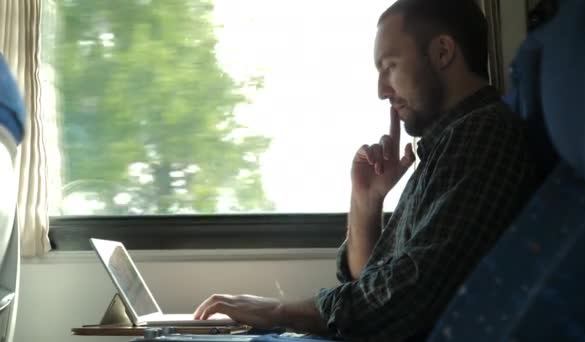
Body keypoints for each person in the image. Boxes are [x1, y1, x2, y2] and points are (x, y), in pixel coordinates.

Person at [193, 0, 541, 340]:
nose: (381, 91)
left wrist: (276, 312)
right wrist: (366, 202)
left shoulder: (483, 136)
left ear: (442, 52)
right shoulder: (447, 144)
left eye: (389, 66)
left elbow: (403, 301)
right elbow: (369, 287)